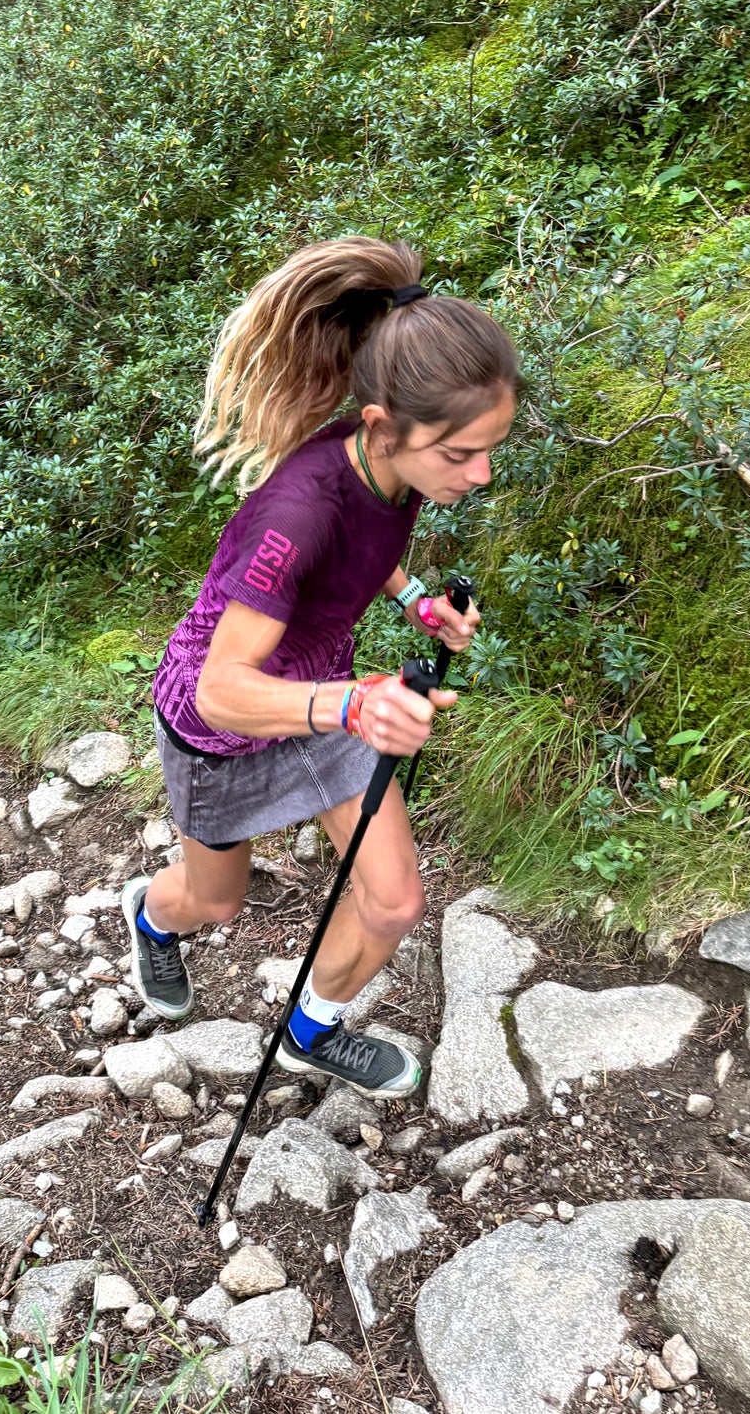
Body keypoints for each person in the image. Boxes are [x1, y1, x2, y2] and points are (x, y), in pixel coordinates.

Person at [122, 236, 519, 1097]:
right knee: (215, 902)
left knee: (393, 900)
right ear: (381, 426)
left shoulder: (397, 469)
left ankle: (311, 1029)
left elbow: (365, 546)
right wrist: (351, 706)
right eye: (460, 455)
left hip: (329, 697)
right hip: (225, 727)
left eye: (488, 449)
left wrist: (416, 599)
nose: (479, 473)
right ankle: (152, 917)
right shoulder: (292, 512)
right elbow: (218, 688)